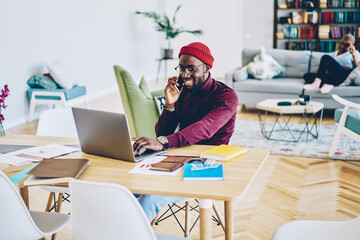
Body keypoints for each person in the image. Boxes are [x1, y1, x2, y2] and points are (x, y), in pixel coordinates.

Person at [132, 42, 239, 222]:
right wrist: (170, 105)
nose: (184, 75)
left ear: (206, 68)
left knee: (149, 199)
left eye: (191, 69)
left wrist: (164, 142)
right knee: (129, 188)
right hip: (179, 156)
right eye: (181, 68)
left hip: (209, 164)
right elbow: (163, 131)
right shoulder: (182, 92)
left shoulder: (227, 97)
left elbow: (206, 127)